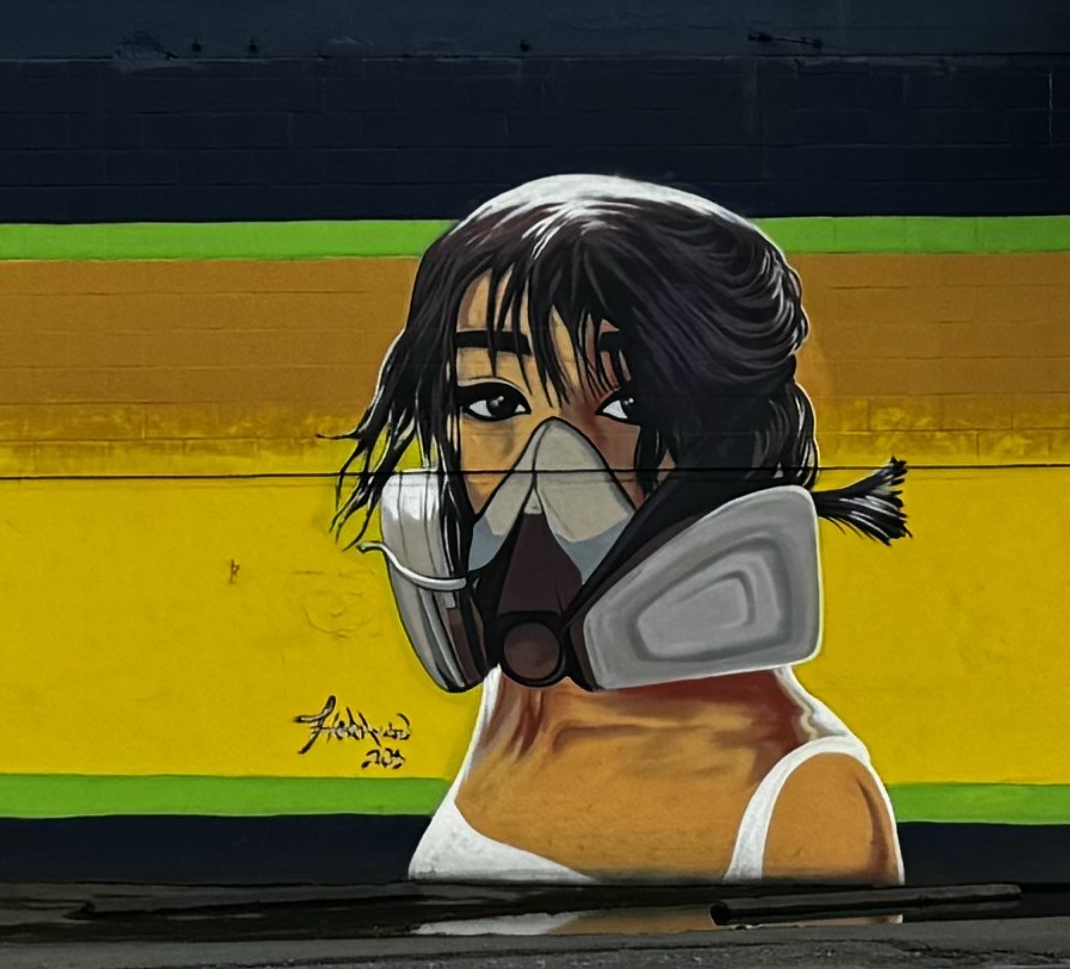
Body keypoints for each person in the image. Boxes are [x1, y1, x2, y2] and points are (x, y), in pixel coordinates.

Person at [337, 175, 907, 885]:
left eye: (631, 404)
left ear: (738, 441)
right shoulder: (515, 697)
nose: (548, 466)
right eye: (491, 401)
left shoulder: (805, 801)